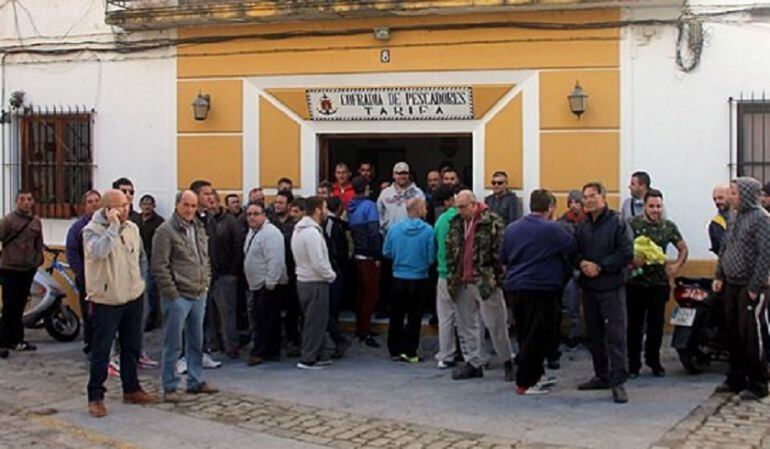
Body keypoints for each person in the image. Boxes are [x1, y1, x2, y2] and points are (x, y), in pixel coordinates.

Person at [83, 189, 157, 417]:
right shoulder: (91, 231)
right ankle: (96, 396)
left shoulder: (133, 228)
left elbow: (140, 257)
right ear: (108, 209)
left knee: (132, 345)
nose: (126, 209)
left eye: (127, 204)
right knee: (102, 350)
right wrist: (113, 228)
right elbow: (100, 252)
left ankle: (131, 388)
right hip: (107, 299)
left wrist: (140, 283)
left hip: (132, 296)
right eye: (121, 206)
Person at [501, 189, 574, 395]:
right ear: (550, 207)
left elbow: (504, 259)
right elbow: (571, 247)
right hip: (543, 288)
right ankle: (526, 381)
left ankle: (536, 374)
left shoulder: (512, 229)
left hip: (516, 288)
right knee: (539, 335)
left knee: (525, 333)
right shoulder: (553, 229)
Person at [152, 190, 219, 402]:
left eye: (193, 206)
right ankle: (170, 386)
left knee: (196, 340)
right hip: (178, 295)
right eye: (186, 205)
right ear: (177, 205)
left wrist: (205, 282)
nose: (190, 210)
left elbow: (204, 257)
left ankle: (195, 380)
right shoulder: (165, 231)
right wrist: (171, 293)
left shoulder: (198, 227)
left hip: (199, 292)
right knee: (173, 344)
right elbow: (159, 266)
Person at [446, 190, 514, 382]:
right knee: (466, 325)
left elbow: (501, 252)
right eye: (457, 207)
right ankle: (473, 362)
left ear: (474, 205)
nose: (459, 211)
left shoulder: (492, 222)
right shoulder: (456, 223)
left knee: (497, 324)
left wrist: (497, 277)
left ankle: (507, 361)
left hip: (485, 281)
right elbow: (450, 249)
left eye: (463, 207)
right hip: (462, 280)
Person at [575, 182, 633, 404]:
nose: (588, 200)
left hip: (611, 288)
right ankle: (601, 376)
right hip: (589, 289)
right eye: (585, 197)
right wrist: (582, 264)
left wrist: (600, 266)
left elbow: (626, 253)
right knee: (594, 335)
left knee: (616, 336)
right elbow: (574, 251)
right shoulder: (582, 226)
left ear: (603, 198)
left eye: (592, 196)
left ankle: (618, 381)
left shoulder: (618, 223)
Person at [713, 177, 770, 400]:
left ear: (746, 195)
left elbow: (765, 255)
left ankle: (758, 382)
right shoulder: (734, 216)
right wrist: (719, 274)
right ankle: (735, 378)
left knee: (751, 336)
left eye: (734, 193)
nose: (730, 197)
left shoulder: (761, 219)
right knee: (733, 333)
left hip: (751, 285)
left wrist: (755, 286)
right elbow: (725, 246)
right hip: (731, 283)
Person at [626, 189, 688, 378]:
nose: (655, 210)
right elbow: (621, 246)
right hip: (636, 282)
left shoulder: (668, 226)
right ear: (644, 206)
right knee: (635, 325)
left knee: (656, 325)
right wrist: (632, 260)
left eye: (658, 206)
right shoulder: (632, 224)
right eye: (651, 206)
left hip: (658, 283)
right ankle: (633, 364)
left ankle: (654, 361)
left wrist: (677, 265)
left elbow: (683, 248)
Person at [191, 180, 243, 360]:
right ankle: (213, 344)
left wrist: (232, 271)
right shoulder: (204, 221)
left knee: (227, 312)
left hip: (225, 274)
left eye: (213, 200)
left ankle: (231, 346)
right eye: (208, 200)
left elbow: (237, 246)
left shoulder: (229, 221)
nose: (211, 204)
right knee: (209, 313)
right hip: (207, 275)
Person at [382, 198, 435, 363]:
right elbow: (431, 257)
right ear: (419, 210)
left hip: (398, 276)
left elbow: (386, 252)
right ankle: (410, 351)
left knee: (396, 315)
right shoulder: (428, 231)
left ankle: (394, 349)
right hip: (419, 278)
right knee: (415, 316)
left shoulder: (394, 229)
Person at [291, 196, 337, 370]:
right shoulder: (311, 233)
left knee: (312, 320)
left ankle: (320, 353)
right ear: (318, 210)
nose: (326, 212)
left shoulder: (299, 229)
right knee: (315, 323)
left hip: (304, 280)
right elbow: (318, 262)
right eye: (325, 208)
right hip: (315, 282)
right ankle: (308, 358)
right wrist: (331, 276)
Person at [243, 202, 287, 366]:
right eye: (249, 214)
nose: (252, 217)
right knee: (265, 319)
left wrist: (270, 282)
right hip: (257, 284)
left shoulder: (271, 233)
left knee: (265, 320)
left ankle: (261, 352)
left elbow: (275, 260)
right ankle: (269, 352)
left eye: (256, 214)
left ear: (264, 215)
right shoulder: (253, 231)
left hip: (268, 285)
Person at [0, 190, 44, 354]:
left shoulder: (36, 221)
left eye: (29, 199)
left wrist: (36, 261)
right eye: (22, 199)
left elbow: (39, 243)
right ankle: (3, 341)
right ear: (16, 202)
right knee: (9, 306)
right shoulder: (8, 220)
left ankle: (18, 339)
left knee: (20, 306)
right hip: (10, 269)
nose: (26, 202)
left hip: (27, 270)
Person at [66, 189, 102, 355]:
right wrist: (82, 273)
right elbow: (72, 252)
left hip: (105, 278)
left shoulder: (107, 224)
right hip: (87, 278)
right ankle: (91, 342)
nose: (94, 204)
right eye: (90, 201)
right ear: (84, 206)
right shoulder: (78, 228)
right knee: (89, 312)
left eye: (97, 200)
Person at [348, 176, 383, 348]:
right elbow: (374, 232)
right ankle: (365, 330)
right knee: (370, 294)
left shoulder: (351, 206)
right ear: (367, 188)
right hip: (369, 255)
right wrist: (378, 255)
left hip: (357, 254)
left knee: (360, 295)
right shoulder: (369, 206)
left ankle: (360, 327)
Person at [432, 185, 460, 369]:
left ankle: (446, 354)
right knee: (467, 317)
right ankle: (470, 352)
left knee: (445, 317)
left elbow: (435, 243)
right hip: (460, 273)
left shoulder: (441, 220)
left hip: (443, 272)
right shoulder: (460, 218)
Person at [557, 190, 586, 349]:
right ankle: (573, 334)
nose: (574, 205)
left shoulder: (588, 221)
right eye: (572, 202)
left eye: (577, 202)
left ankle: (588, 334)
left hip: (585, 267)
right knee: (571, 304)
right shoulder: (562, 222)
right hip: (569, 269)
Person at [323, 197, 351, 357]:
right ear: (340, 208)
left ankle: (334, 342)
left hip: (328, 271)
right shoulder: (338, 226)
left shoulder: (325, 224)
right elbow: (342, 251)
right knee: (332, 310)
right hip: (334, 271)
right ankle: (336, 341)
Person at [138, 194, 165, 334]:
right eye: (144, 204)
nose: (147, 207)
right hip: (136, 260)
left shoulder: (159, 222)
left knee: (151, 291)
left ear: (154, 206)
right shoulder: (135, 220)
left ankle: (152, 319)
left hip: (152, 259)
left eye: (149, 204)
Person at [377, 162, 425, 235]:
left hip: (412, 235)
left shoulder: (418, 193)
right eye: (399, 173)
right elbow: (379, 213)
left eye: (405, 173)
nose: (402, 176)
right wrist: (384, 227)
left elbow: (423, 215)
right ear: (393, 175)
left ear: (409, 175)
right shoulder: (385, 193)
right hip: (390, 235)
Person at [709, 185, 730, 256]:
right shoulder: (715, 224)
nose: (717, 202)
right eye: (714, 199)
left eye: (720, 198)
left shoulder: (745, 217)